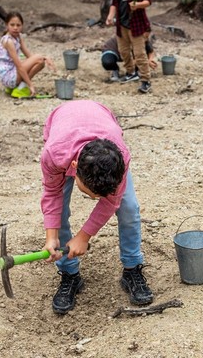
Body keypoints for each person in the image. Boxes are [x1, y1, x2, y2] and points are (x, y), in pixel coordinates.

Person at [40, 100, 154, 314]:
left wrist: (84, 237)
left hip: (101, 123)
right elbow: (51, 194)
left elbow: (112, 201)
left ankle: (132, 269)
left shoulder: (120, 156)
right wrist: (51, 236)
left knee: (129, 208)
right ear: (73, 169)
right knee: (60, 210)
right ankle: (69, 273)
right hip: (63, 126)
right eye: (91, 193)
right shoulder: (54, 155)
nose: (95, 199)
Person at [105, 0, 153, 94]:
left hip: (137, 24)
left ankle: (145, 80)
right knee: (124, 51)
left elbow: (148, 0)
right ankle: (131, 73)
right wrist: (110, 15)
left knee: (139, 53)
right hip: (121, 24)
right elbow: (114, 2)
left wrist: (137, 5)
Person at [0, 12, 56, 98]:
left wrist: (44, 58)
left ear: (22, 26)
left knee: (41, 62)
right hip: (8, 77)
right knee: (38, 58)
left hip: (13, 72)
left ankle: (18, 86)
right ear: (7, 25)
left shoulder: (18, 37)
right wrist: (30, 85)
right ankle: (21, 87)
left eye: (18, 25)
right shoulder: (8, 41)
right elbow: (19, 66)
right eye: (12, 25)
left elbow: (29, 57)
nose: (15, 28)